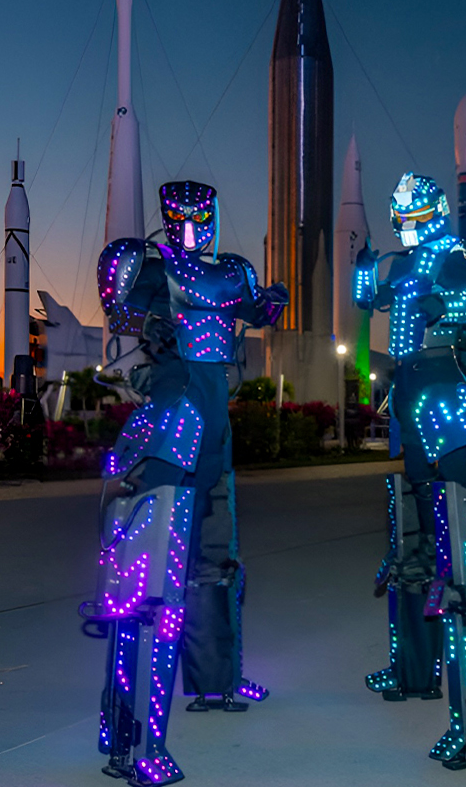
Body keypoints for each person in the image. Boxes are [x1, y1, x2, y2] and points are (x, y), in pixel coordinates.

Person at [88, 180, 288, 785]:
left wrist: (268, 297)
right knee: (149, 590)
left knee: (214, 563)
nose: (196, 226)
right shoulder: (149, 268)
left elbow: (264, 308)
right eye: (184, 218)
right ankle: (133, 740)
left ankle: (215, 682)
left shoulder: (229, 271)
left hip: (211, 430)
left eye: (203, 216)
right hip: (173, 427)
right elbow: (118, 303)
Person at [354, 172, 466, 770]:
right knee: (416, 546)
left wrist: (438, 301)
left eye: (416, 214)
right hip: (410, 399)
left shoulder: (459, 254)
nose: (410, 224)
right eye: (403, 215)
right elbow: (366, 296)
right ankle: (414, 671)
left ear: (436, 212)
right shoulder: (401, 261)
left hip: (446, 395)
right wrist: (369, 270)